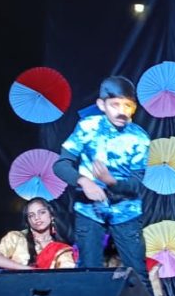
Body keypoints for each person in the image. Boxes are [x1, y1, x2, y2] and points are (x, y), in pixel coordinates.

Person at [52, 76, 151, 284]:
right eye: (115, 105)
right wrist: (84, 181)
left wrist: (111, 181)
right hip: (90, 209)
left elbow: (137, 183)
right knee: (89, 272)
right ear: (101, 104)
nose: (122, 111)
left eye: (128, 105)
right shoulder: (88, 127)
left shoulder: (139, 137)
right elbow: (60, 165)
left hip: (126, 210)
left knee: (138, 274)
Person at [0, 197, 76, 271]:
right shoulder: (16, 237)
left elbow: (66, 274)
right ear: (28, 220)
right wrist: (29, 270)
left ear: (51, 215)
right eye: (31, 215)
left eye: (42, 212)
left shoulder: (60, 247)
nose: (37, 218)